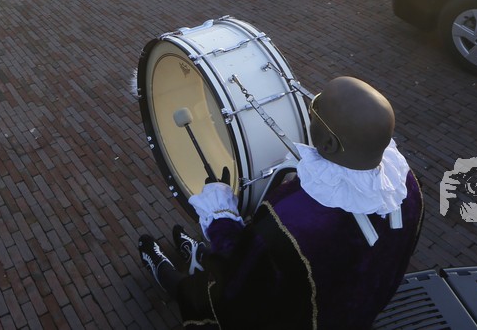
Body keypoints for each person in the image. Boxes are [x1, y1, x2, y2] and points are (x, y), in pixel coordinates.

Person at [137, 76, 423, 330]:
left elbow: (243, 280)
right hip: (360, 308)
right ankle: (194, 257)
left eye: (316, 108)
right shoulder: (408, 187)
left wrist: (220, 217)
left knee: (202, 293)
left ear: (329, 145)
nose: (311, 107)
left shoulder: (292, 221)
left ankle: (167, 274)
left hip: (300, 318)